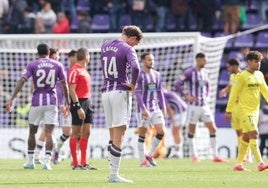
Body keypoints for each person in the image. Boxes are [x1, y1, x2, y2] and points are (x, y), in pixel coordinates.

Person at [5, 43, 70, 170]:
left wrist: (12, 98)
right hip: (51, 102)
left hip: (36, 103)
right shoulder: (58, 65)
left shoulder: (32, 64)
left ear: (37, 53)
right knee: (49, 133)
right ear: (49, 53)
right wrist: (67, 102)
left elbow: (22, 81)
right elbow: (64, 85)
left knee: (32, 132)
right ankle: (47, 162)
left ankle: (30, 161)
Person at [101, 25, 143, 183]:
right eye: (136, 43)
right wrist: (133, 84)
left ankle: (112, 172)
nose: (134, 46)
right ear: (133, 38)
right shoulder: (127, 49)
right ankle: (113, 175)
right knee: (120, 133)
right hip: (120, 92)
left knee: (112, 135)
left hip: (106, 92)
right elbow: (136, 67)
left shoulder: (105, 46)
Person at [174, 52, 226, 163]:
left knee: (213, 129)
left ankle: (215, 155)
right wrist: (186, 96)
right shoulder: (190, 72)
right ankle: (195, 156)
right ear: (198, 60)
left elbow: (208, 85)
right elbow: (177, 83)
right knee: (192, 130)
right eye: (204, 60)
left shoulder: (206, 72)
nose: (206, 62)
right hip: (193, 107)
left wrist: (207, 96)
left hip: (204, 106)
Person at [225, 51, 268, 172]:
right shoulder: (241, 76)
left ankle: (238, 164)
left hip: (255, 111)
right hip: (244, 111)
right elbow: (233, 94)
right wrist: (228, 111)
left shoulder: (259, 75)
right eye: (256, 62)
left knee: (246, 137)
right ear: (249, 62)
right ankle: (260, 163)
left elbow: (265, 91)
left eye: (259, 61)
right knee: (254, 133)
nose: (258, 64)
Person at [34, 48, 72, 165]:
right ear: (51, 55)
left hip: (56, 103)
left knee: (51, 130)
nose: (58, 58)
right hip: (52, 103)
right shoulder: (53, 69)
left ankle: (42, 155)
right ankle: (46, 155)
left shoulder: (59, 68)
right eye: (57, 55)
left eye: (59, 56)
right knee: (48, 130)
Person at [135, 52, 166, 167]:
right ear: (143, 61)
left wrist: (163, 107)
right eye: (149, 60)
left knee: (161, 132)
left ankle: (149, 154)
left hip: (155, 108)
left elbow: (159, 92)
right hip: (142, 110)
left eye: (152, 60)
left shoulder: (157, 75)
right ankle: (142, 161)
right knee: (143, 134)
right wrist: (143, 109)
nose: (151, 62)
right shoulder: (139, 75)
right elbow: (137, 94)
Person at [68, 47, 97, 170]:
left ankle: (84, 162)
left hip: (87, 102)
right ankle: (75, 163)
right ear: (86, 57)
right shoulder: (75, 70)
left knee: (87, 132)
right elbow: (72, 90)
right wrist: (78, 107)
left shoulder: (84, 70)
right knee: (76, 133)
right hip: (79, 102)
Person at [221, 58, 252, 162]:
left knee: (246, 133)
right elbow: (231, 86)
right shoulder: (232, 76)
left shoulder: (243, 76)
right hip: (234, 109)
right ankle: (242, 156)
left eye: (229, 66)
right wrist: (225, 90)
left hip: (243, 108)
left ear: (234, 66)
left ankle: (247, 156)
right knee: (239, 133)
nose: (228, 68)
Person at [163, 89, 187, 158]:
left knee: (176, 131)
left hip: (181, 111)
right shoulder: (166, 92)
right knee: (175, 132)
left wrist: (172, 120)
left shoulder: (162, 94)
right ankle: (177, 151)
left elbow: (169, 109)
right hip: (181, 110)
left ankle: (178, 152)